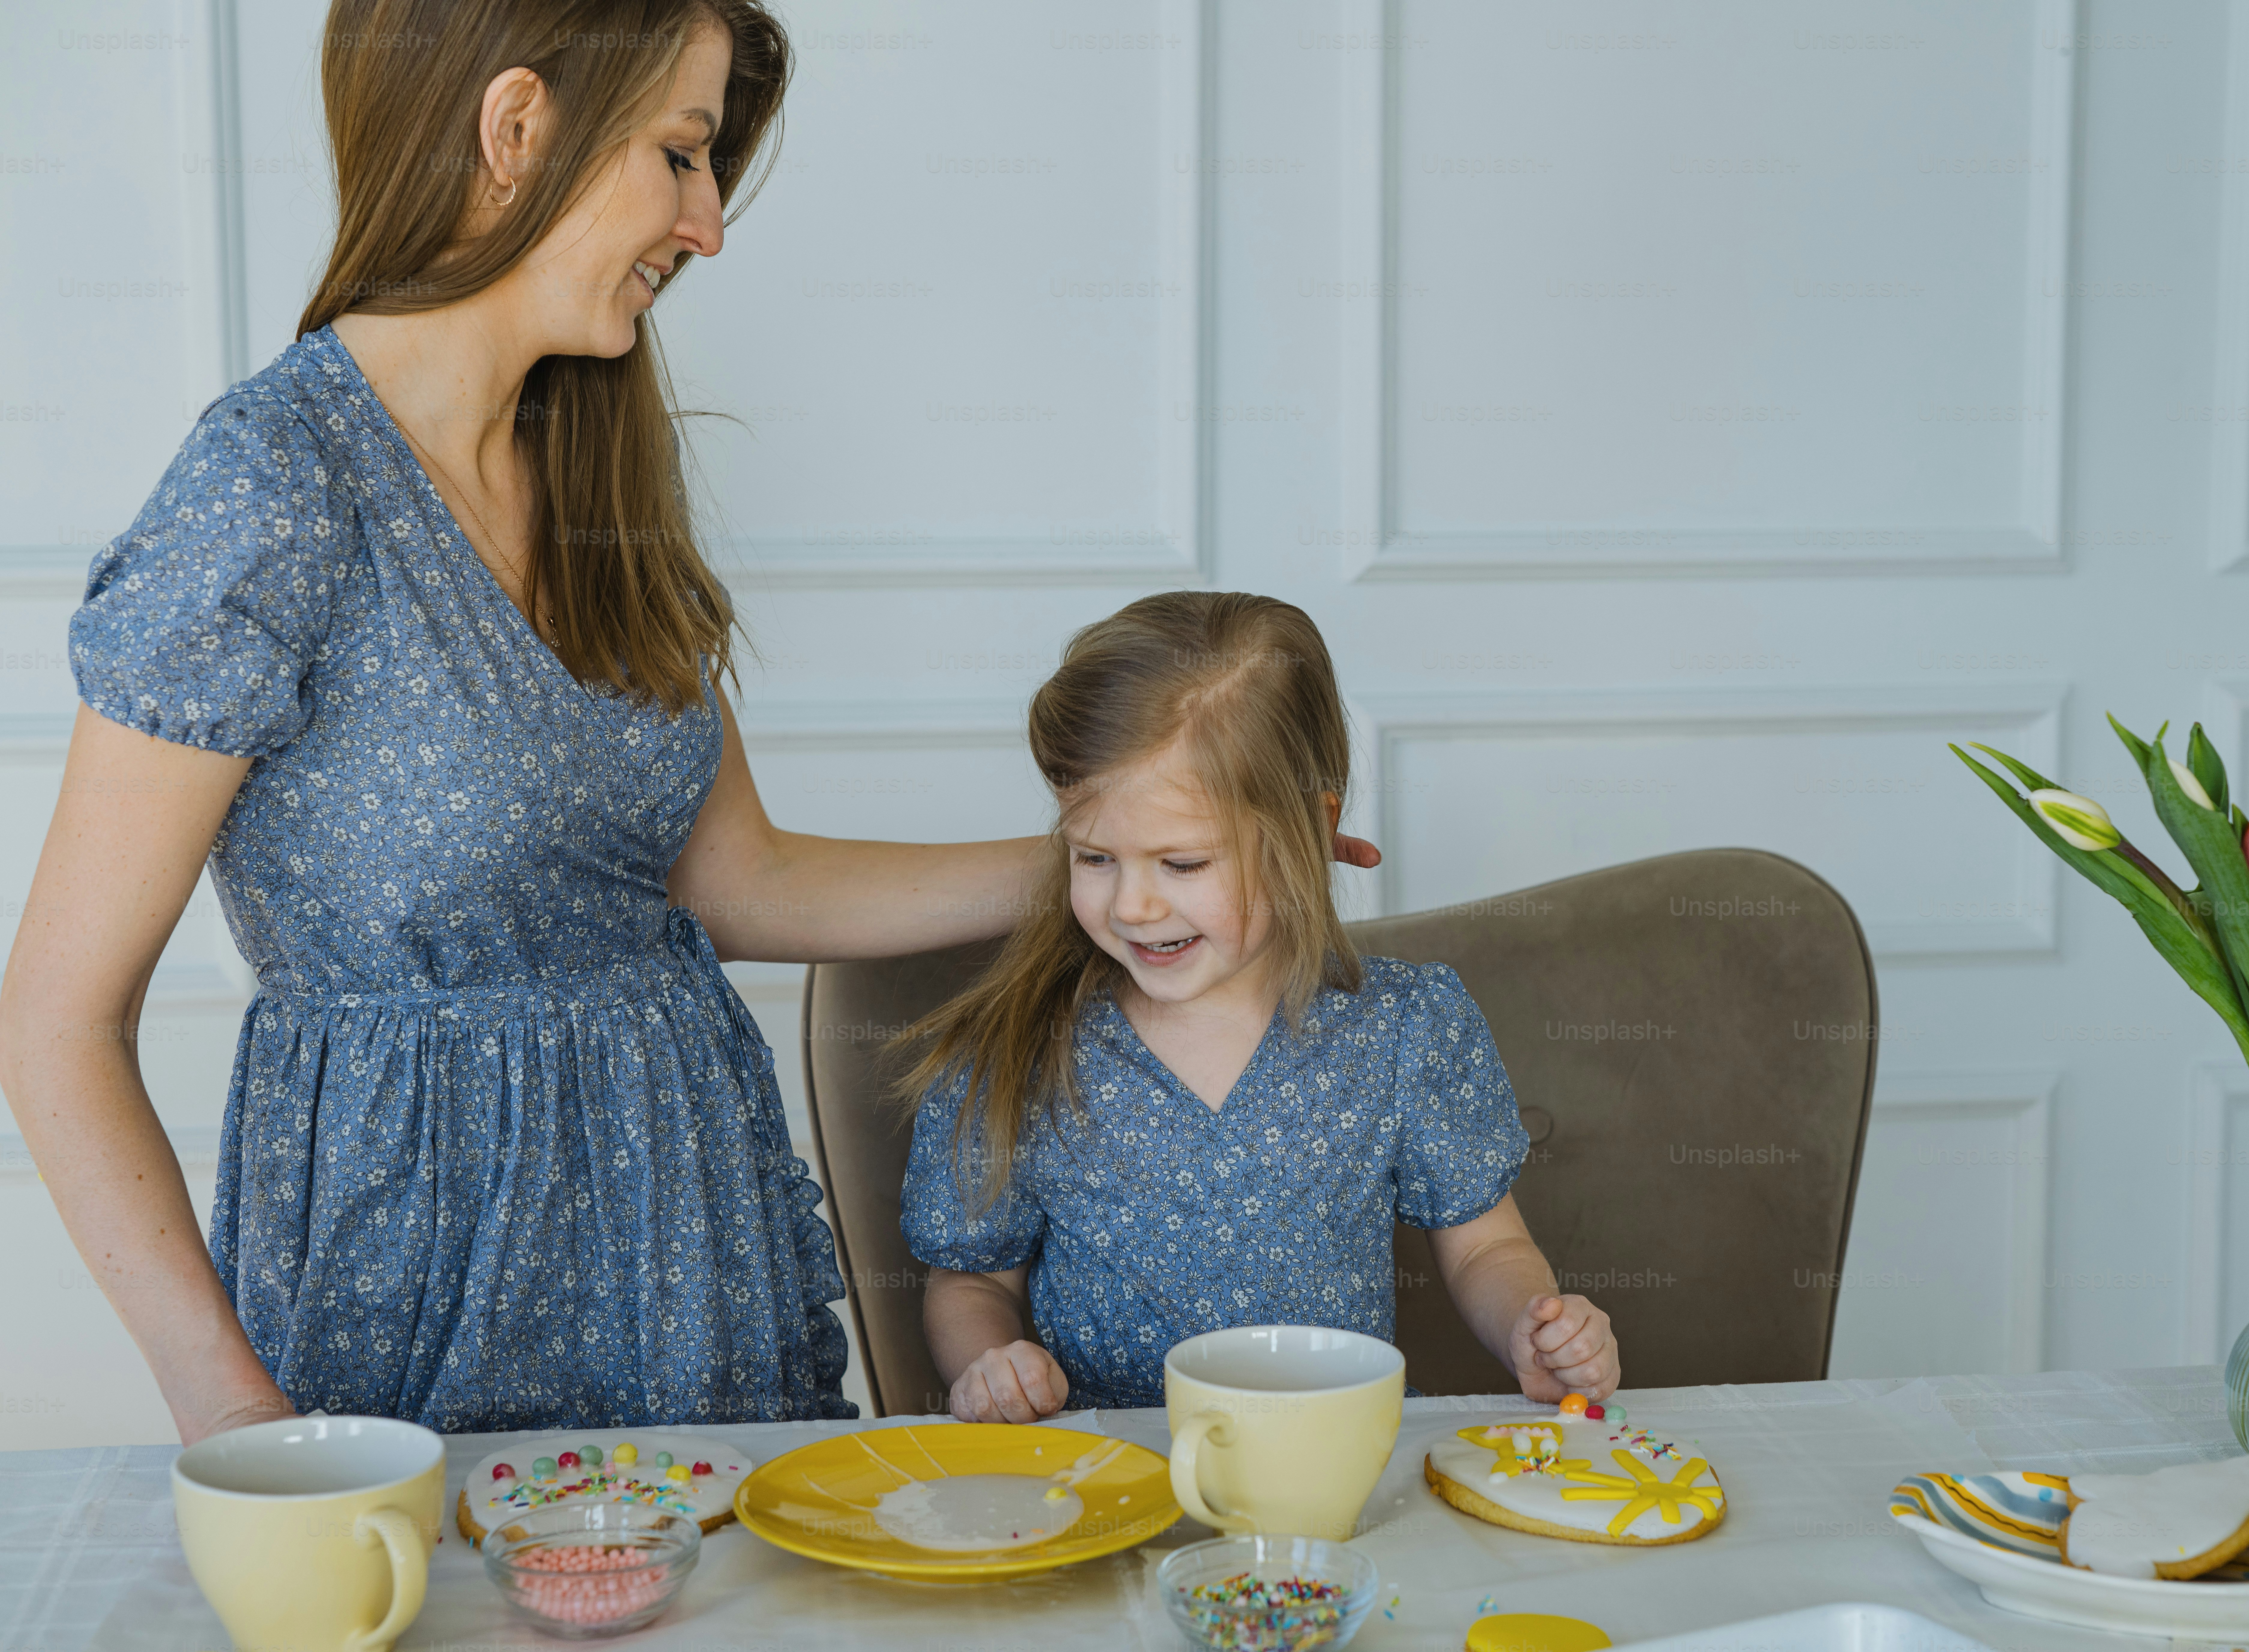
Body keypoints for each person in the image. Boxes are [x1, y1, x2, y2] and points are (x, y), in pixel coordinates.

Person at [0, 1, 1376, 1444]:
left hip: (683, 1249)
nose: (708, 226)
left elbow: (734, 881)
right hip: (418, 1287)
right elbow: (57, 1021)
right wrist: (235, 1413)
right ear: (515, 127)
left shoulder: (593, 469)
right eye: (681, 154)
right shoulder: (272, 487)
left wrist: (1122, 866)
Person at [899, 592, 1620, 1421]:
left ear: (1309, 830)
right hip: (1113, 1468)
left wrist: (1534, 1327)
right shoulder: (1023, 1049)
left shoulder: (1403, 1029)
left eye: (1183, 863)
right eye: (1094, 856)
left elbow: (1485, 1248)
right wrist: (992, 1365)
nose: (1132, 906)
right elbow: (972, 1282)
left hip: (1335, 1457)